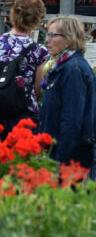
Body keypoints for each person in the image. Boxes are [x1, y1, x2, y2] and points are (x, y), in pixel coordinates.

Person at [0, 0, 49, 140]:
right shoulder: (38, 50)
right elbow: (37, 88)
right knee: (22, 158)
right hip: (24, 113)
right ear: (38, 18)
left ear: (13, 13)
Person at [38, 16, 96, 168]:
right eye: (47, 35)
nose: (46, 40)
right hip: (56, 153)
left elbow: (71, 121)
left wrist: (58, 163)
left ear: (69, 38)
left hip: (67, 159)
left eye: (52, 35)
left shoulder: (73, 70)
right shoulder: (61, 66)